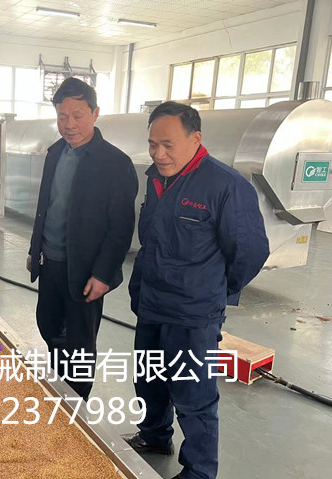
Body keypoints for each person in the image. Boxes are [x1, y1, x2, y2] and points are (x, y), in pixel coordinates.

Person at [124, 102, 270, 479]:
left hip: (193, 314)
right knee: (150, 380)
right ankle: (155, 435)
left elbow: (250, 251)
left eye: (168, 145)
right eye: (153, 144)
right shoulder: (157, 178)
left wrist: (215, 290)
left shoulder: (225, 185)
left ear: (196, 139)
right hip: (152, 303)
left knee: (193, 395)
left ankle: (200, 470)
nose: (158, 154)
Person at [27, 77, 139, 401]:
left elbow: (121, 228)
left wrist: (103, 274)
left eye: (77, 115)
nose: (69, 124)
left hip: (86, 271)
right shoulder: (55, 153)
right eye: (62, 116)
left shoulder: (115, 164)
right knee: (49, 327)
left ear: (95, 113)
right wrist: (36, 250)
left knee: (79, 344)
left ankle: (76, 408)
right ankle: (60, 391)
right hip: (50, 263)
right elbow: (46, 207)